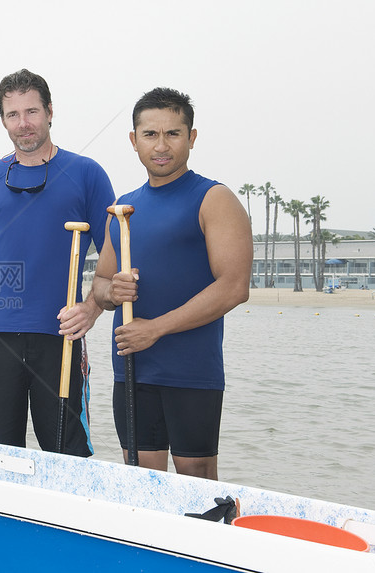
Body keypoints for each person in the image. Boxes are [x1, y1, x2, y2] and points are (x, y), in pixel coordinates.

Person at [0, 69, 115, 456]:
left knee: (70, 457)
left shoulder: (87, 174)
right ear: (2, 119)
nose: (24, 123)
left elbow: (112, 258)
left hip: (61, 337)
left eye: (32, 111)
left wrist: (91, 308)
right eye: (13, 114)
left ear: (50, 112)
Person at [91, 87, 252, 479]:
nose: (161, 145)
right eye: (150, 134)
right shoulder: (121, 208)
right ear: (134, 140)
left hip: (191, 372)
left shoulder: (213, 198)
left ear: (191, 137)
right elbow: (99, 283)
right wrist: (112, 292)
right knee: (141, 482)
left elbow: (234, 286)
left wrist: (156, 329)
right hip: (130, 368)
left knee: (195, 481)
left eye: (173, 133)